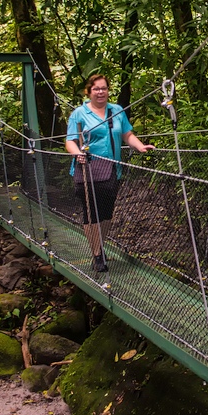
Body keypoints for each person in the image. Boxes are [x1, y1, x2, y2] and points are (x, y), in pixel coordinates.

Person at [65, 75, 154, 272]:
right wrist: (78, 154)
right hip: (87, 169)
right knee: (91, 211)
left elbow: (127, 134)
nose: (100, 92)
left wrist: (140, 147)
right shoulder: (79, 114)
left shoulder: (116, 111)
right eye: (96, 89)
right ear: (89, 91)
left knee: (106, 212)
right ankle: (97, 254)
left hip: (111, 169)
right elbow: (70, 140)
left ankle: (100, 246)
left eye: (104, 88)